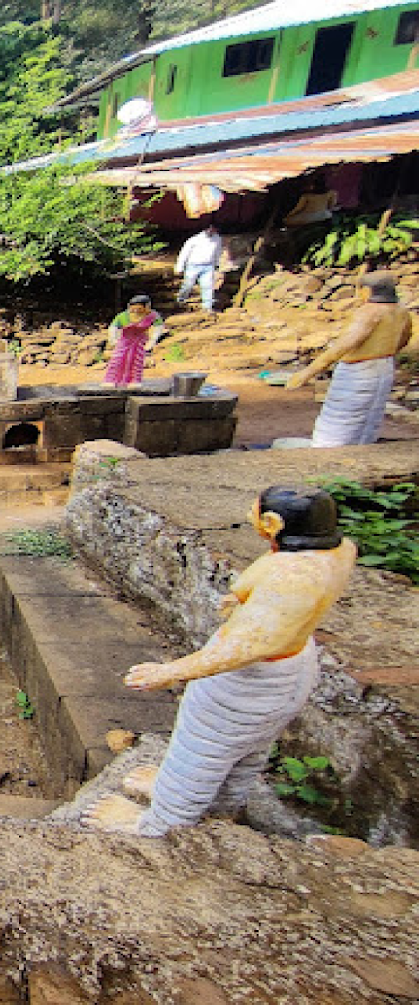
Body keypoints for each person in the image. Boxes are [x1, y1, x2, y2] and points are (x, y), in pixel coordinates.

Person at [85, 486, 356, 837]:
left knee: (200, 749)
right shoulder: (337, 551)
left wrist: (170, 671)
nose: (248, 517)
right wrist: (245, 601)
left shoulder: (292, 578)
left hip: (253, 679)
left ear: (273, 524)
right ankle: (218, 808)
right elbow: (273, 606)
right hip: (291, 667)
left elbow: (242, 648)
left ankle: (159, 825)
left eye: (254, 514)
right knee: (246, 751)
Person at [287, 271, 417, 446]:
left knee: (341, 421)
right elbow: (405, 338)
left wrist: (307, 372)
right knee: (369, 417)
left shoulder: (369, 312)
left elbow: (345, 344)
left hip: (359, 371)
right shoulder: (401, 312)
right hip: (384, 367)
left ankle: (327, 455)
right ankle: (361, 450)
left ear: (368, 291)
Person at [102, 295, 165, 387]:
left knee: (137, 360)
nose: (136, 311)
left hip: (140, 341)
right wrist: (113, 339)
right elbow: (113, 327)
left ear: (147, 307)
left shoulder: (153, 316)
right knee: (117, 359)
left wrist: (152, 340)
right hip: (124, 341)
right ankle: (110, 379)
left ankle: (135, 380)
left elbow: (158, 327)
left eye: (139, 309)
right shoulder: (123, 316)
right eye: (133, 309)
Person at [175, 223, 223, 313]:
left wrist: (217, 264)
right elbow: (184, 253)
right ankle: (181, 299)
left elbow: (218, 252)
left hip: (208, 266)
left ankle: (207, 306)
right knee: (188, 285)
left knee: (208, 285)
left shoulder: (218, 239)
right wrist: (179, 267)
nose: (212, 230)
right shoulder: (194, 239)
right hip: (193, 265)